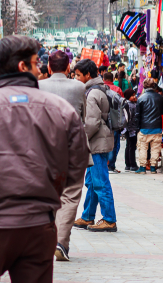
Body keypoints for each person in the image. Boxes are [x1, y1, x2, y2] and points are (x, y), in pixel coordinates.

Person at [0, 35, 89, 283]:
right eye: (35, 63)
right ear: (23, 67)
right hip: (39, 227)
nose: (39, 69)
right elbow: (77, 166)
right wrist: (51, 190)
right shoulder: (61, 110)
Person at [38, 49, 86, 261]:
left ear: (48, 67)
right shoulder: (79, 87)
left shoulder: (37, 87)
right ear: (69, 68)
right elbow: (84, 115)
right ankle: (60, 242)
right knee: (70, 196)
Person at [71, 59, 118, 233]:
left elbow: (91, 122)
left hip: (96, 142)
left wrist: (79, 139)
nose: (76, 78)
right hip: (97, 141)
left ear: (87, 75)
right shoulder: (98, 89)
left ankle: (109, 219)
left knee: (100, 182)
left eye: (78, 75)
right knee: (91, 182)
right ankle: (87, 215)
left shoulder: (91, 94)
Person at [133, 77, 163, 173]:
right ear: (154, 86)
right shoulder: (160, 97)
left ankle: (142, 167)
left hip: (144, 128)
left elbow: (137, 115)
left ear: (144, 86)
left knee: (143, 148)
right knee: (155, 148)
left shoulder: (141, 98)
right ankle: (153, 167)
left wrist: (137, 128)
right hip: (157, 127)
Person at [122, 89, 139, 171]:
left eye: (134, 95)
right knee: (132, 146)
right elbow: (132, 118)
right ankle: (133, 164)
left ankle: (128, 164)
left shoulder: (126, 104)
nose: (134, 97)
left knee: (128, 146)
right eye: (132, 95)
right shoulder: (132, 105)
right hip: (132, 128)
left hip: (127, 129)